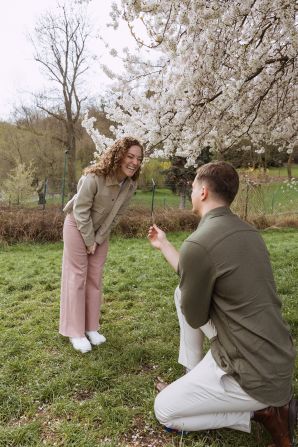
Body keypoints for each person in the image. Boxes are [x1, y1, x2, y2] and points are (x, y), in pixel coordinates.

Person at [148, 161, 297, 447]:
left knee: (164, 410)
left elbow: (194, 316)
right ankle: (192, 378)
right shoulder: (249, 233)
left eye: (192, 187)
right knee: (182, 292)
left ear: (203, 192)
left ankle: (259, 412)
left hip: (250, 372)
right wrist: (164, 245)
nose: (190, 192)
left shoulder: (199, 242)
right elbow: (193, 275)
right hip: (276, 357)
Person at [60, 137, 143, 353]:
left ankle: (91, 328)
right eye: (130, 156)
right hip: (76, 226)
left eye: (139, 159)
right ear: (119, 155)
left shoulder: (130, 184)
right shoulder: (94, 177)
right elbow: (80, 211)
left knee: (95, 278)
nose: (134, 162)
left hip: (99, 234)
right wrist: (88, 240)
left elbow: (117, 216)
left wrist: (97, 240)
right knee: (78, 276)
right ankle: (75, 332)